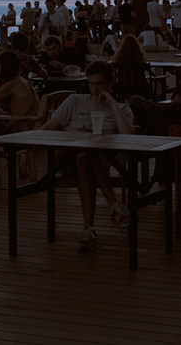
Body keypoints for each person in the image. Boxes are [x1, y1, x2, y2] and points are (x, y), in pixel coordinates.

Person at [40, 60, 134, 252]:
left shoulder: (122, 109)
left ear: (110, 83)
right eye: (91, 84)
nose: (94, 89)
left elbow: (129, 137)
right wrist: (26, 148)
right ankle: (114, 204)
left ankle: (88, 229)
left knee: (87, 155)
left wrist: (113, 103)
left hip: (96, 160)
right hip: (67, 158)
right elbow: (50, 126)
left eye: (99, 84)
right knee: (85, 153)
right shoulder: (75, 101)